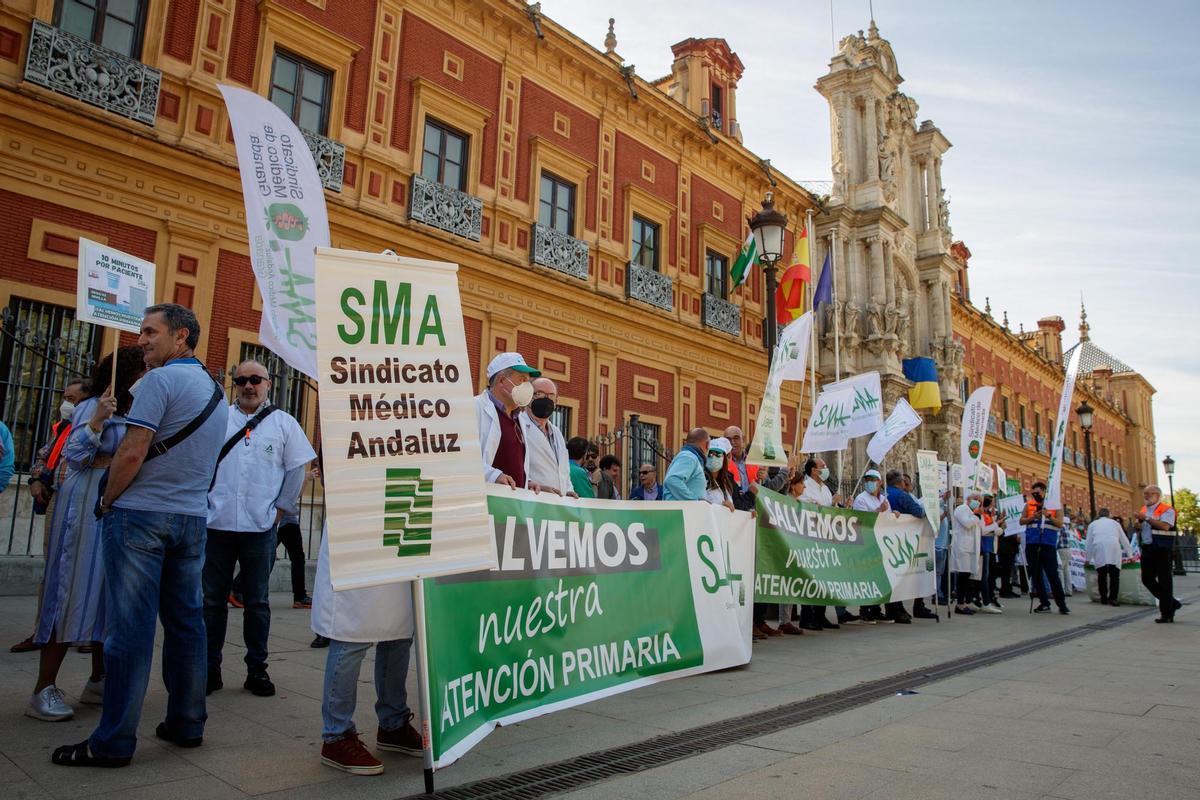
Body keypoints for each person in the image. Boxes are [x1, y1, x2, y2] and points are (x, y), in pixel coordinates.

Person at [53, 304, 227, 768]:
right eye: (141, 332)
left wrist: (107, 501)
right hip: (191, 519)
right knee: (187, 623)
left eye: (151, 332)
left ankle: (112, 742)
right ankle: (187, 722)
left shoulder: (159, 382)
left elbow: (132, 452)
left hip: (141, 518)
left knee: (128, 631)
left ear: (182, 337)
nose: (142, 340)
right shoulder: (215, 388)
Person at [26, 349, 142, 722]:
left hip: (118, 502)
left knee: (108, 593)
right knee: (71, 587)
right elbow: (72, 455)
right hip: (85, 502)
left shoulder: (135, 406)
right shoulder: (92, 404)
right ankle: (43, 688)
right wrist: (95, 421)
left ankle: (98, 679)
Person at [204, 359, 316, 699]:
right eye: (242, 381)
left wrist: (281, 509)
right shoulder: (218, 419)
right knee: (211, 602)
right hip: (217, 525)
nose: (249, 386)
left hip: (260, 526)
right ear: (234, 385)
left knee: (257, 602)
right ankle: (209, 668)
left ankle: (257, 669)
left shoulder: (283, 423)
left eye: (256, 380)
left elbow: (297, 467)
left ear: (268, 384)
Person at [310, 448, 420, 775]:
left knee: (400, 632)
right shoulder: (350, 403)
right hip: (360, 512)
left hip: (406, 502)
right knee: (352, 632)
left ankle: (393, 722)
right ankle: (336, 734)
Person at [13, 379, 89, 655]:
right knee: (52, 568)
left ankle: (84, 634)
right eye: (65, 396)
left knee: (84, 569)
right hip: (57, 499)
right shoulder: (62, 429)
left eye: (73, 398)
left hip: (85, 502)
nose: (66, 403)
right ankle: (43, 632)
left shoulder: (95, 425)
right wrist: (35, 479)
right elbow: (43, 457)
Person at [475, 352, 540, 488]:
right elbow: (459, 457)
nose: (527, 386)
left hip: (514, 503)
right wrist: (493, 475)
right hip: (488, 501)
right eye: (522, 379)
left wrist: (527, 483)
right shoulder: (474, 408)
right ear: (502, 381)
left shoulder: (519, 419)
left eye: (528, 381)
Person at [796, 457, 846, 629]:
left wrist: (838, 505)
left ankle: (820, 615)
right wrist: (827, 505)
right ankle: (806, 616)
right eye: (822, 466)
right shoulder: (805, 485)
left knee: (824, 578)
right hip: (809, 538)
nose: (825, 469)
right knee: (810, 577)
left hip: (826, 539)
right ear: (813, 470)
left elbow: (832, 511)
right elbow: (803, 503)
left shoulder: (825, 488)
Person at [881, 470, 936, 621]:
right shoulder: (901, 495)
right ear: (900, 483)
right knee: (901, 576)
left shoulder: (884, 494)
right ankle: (897, 610)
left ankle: (893, 608)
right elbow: (918, 512)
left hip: (886, 539)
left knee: (891, 575)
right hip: (904, 540)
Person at [1021, 481, 1069, 615]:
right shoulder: (1029, 505)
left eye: (1038, 493)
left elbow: (1060, 524)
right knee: (1036, 576)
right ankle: (1044, 603)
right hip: (1032, 543)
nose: (1035, 495)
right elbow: (1021, 521)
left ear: (1044, 492)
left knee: (1052, 575)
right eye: (1033, 493)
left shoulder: (1055, 506)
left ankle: (1062, 604)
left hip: (1048, 544)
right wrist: (1032, 517)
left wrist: (1048, 516)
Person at [519, 377, 573, 495]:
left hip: (558, 504)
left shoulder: (557, 433)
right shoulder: (518, 425)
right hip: (532, 501)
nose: (546, 399)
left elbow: (564, 472)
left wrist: (568, 490)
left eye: (551, 396)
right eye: (539, 394)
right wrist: (529, 484)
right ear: (528, 397)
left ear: (556, 402)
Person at [1137, 485, 1179, 623]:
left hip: (1162, 548)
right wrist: (1139, 523)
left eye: (1148, 493)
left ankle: (1167, 614)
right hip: (1148, 547)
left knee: (1164, 580)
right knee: (1146, 579)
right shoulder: (1144, 509)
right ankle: (1172, 603)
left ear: (1157, 495)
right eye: (1144, 494)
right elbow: (1142, 527)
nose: (1146, 496)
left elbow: (1165, 526)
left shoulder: (1167, 509)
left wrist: (1147, 519)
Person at [1085, 508, 1132, 606]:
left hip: (1099, 547)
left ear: (1099, 515)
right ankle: (1113, 598)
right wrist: (1130, 555)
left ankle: (1103, 598)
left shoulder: (1092, 524)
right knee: (1114, 575)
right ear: (1109, 515)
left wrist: (1087, 559)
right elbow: (1124, 539)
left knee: (1101, 575)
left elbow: (1088, 542)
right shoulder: (1115, 523)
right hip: (1113, 547)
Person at [951, 492, 984, 615]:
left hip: (970, 548)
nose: (977, 501)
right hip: (962, 547)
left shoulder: (974, 513)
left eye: (979, 500)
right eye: (975, 499)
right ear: (968, 499)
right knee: (963, 576)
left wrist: (978, 515)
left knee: (967, 575)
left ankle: (963, 602)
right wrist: (976, 516)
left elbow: (980, 526)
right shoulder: (961, 509)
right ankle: (960, 604)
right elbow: (967, 523)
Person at [663, 428, 709, 501]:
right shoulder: (689, 457)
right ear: (707, 444)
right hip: (682, 510)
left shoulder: (690, 457)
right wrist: (694, 501)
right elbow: (672, 480)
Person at [976, 495, 1002, 613]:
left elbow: (996, 531)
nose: (993, 505)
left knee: (988, 576)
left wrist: (998, 525)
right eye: (992, 503)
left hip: (990, 547)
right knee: (983, 577)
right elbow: (983, 530)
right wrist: (996, 524)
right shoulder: (981, 514)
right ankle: (985, 601)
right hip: (983, 547)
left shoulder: (988, 515)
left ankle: (987, 599)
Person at [703, 437, 736, 511]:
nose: (713, 457)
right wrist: (720, 504)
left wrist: (748, 513)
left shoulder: (725, 483)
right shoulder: (701, 479)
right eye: (710, 454)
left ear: (724, 458)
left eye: (718, 454)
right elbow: (699, 502)